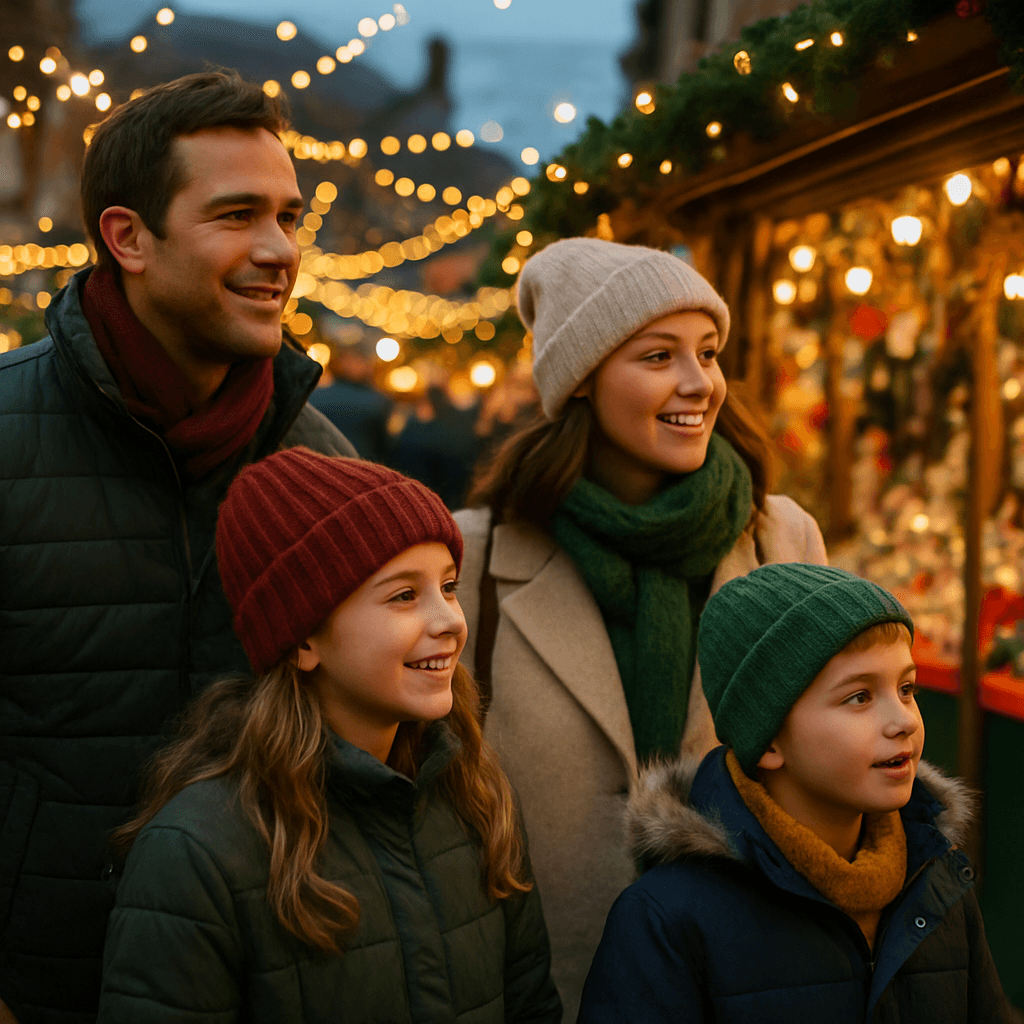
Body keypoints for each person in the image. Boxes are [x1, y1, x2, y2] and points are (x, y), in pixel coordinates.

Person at [0, 73, 355, 1024]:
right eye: (237, 215)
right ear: (128, 238)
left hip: (269, 968)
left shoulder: (320, 460)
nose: (280, 250)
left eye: (288, 216)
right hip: (41, 980)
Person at [455, 237, 828, 1016]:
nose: (700, 383)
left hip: (757, 977)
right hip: (547, 982)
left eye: (710, 352)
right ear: (583, 379)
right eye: (659, 357)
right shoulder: (475, 558)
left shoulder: (779, 540)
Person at [96, 449, 562, 1024]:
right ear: (303, 639)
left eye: (448, 586)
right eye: (403, 596)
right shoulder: (197, 854)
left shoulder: (476, 796)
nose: (449, 622)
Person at [577, 563, 1012, 1022]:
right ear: (768, 741)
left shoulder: (937, 880)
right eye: (859, 697)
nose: (903, 720)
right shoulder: (668, 920)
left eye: (907, 688)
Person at [309, 342, 393, 464]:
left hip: (320, 465)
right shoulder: (377, 401)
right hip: (363, 467)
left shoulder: (314, 396)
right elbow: (384, 446)